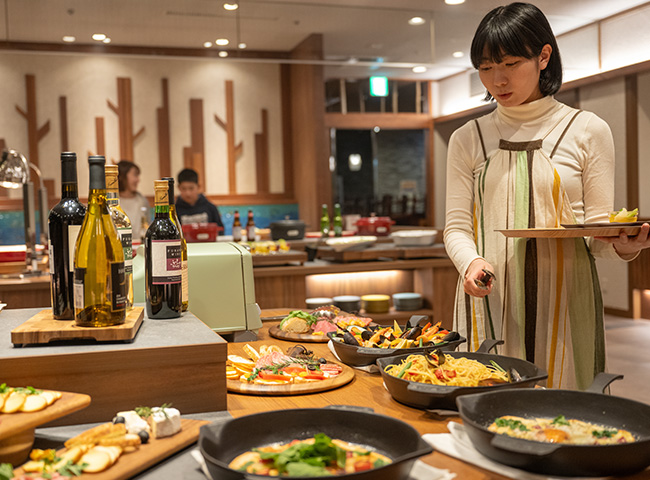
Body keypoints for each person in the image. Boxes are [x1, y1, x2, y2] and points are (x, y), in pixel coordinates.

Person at [443, 2, 650, 390]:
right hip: (491, 296)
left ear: (543, 57)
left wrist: (626, 246)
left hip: (566, 301)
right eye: (486, 68)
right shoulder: (468, 137)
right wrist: (470, 263)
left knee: (562, 418)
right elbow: (455, 227)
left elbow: (596, 237)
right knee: (488, 409)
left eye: (510, 64)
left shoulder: (587, 130)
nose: (497, 80)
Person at [118, 160, 150, 242]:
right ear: (122, 176)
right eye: (135, 175)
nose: (138, 180)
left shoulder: (142, 200)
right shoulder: (111, 202)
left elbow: (148, 228)